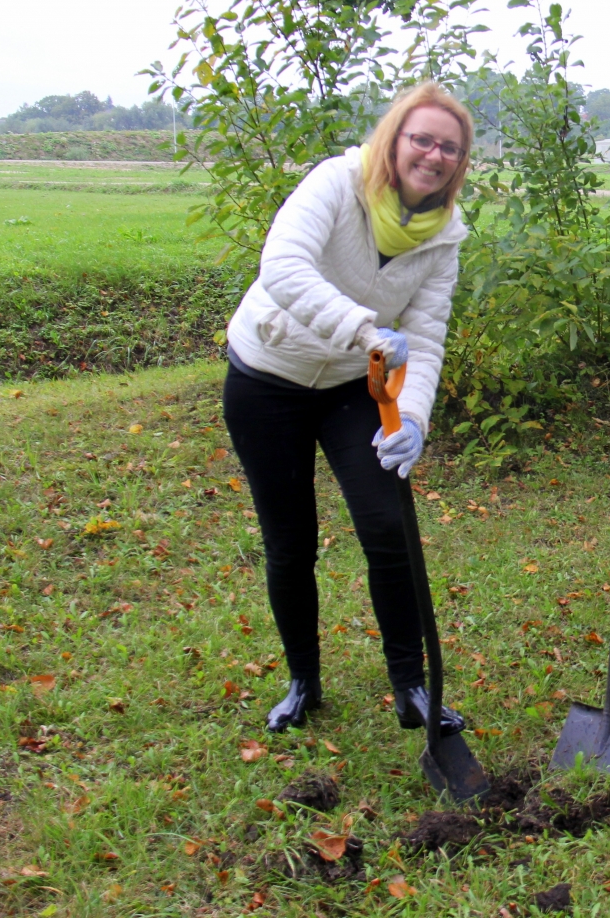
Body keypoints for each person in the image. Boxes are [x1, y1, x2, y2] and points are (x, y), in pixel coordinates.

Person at [223, 81, 473, 736]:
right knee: (290, 541)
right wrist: (364, 329)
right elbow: (281, 265)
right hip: (265, 376)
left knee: (388, 528)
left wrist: (413, 418)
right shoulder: (337, 183)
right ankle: (304, 680)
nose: (434, 154)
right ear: (395, 139)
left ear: (459, 161)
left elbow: (425, 334)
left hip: (348, 388)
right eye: (422, 138)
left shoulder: (444, 236)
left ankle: (410, 686)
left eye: (449, 146)